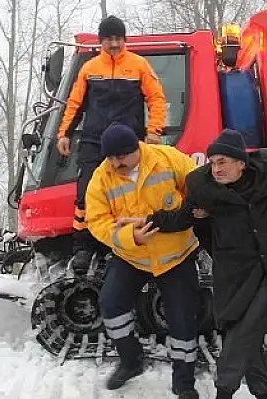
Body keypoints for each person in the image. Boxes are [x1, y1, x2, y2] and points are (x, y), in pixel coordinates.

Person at [117, 129, 267, 399]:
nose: (216, 168)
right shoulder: (203, 188)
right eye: (212, 162)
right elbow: (179, 218)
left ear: (241, 163)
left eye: (222, 161)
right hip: (233, 271)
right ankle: (263, 393)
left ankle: (224, 389)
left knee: (245, 332)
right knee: (242, 331)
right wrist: (146, 221)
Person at [85, 123, 201, 399]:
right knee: (111, 304)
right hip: (132, 256)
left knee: (182, 318)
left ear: (137, 148)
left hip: (176, 255)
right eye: (111, 157)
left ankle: (183, 383)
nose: (116, 162)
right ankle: (131, 359)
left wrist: (191, 212)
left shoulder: (168, 158)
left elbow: (198, 186)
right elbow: (97, 222)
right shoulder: (101, 178)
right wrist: (130, 236)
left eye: (122, 156)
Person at [56, 15, 167, 271]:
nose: (114, 43)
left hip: (128, 144)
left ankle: (119, 245)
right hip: (94, 141)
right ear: (101, 41)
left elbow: (157, 99)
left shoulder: (139, 66)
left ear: (124, 40)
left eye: (118, 38)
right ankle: (83, 247)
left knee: (126, 197)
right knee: (85, 195)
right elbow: (75, 103)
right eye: (108, 39)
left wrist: (154, 132)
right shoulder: (89, 68)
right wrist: (63, 134)